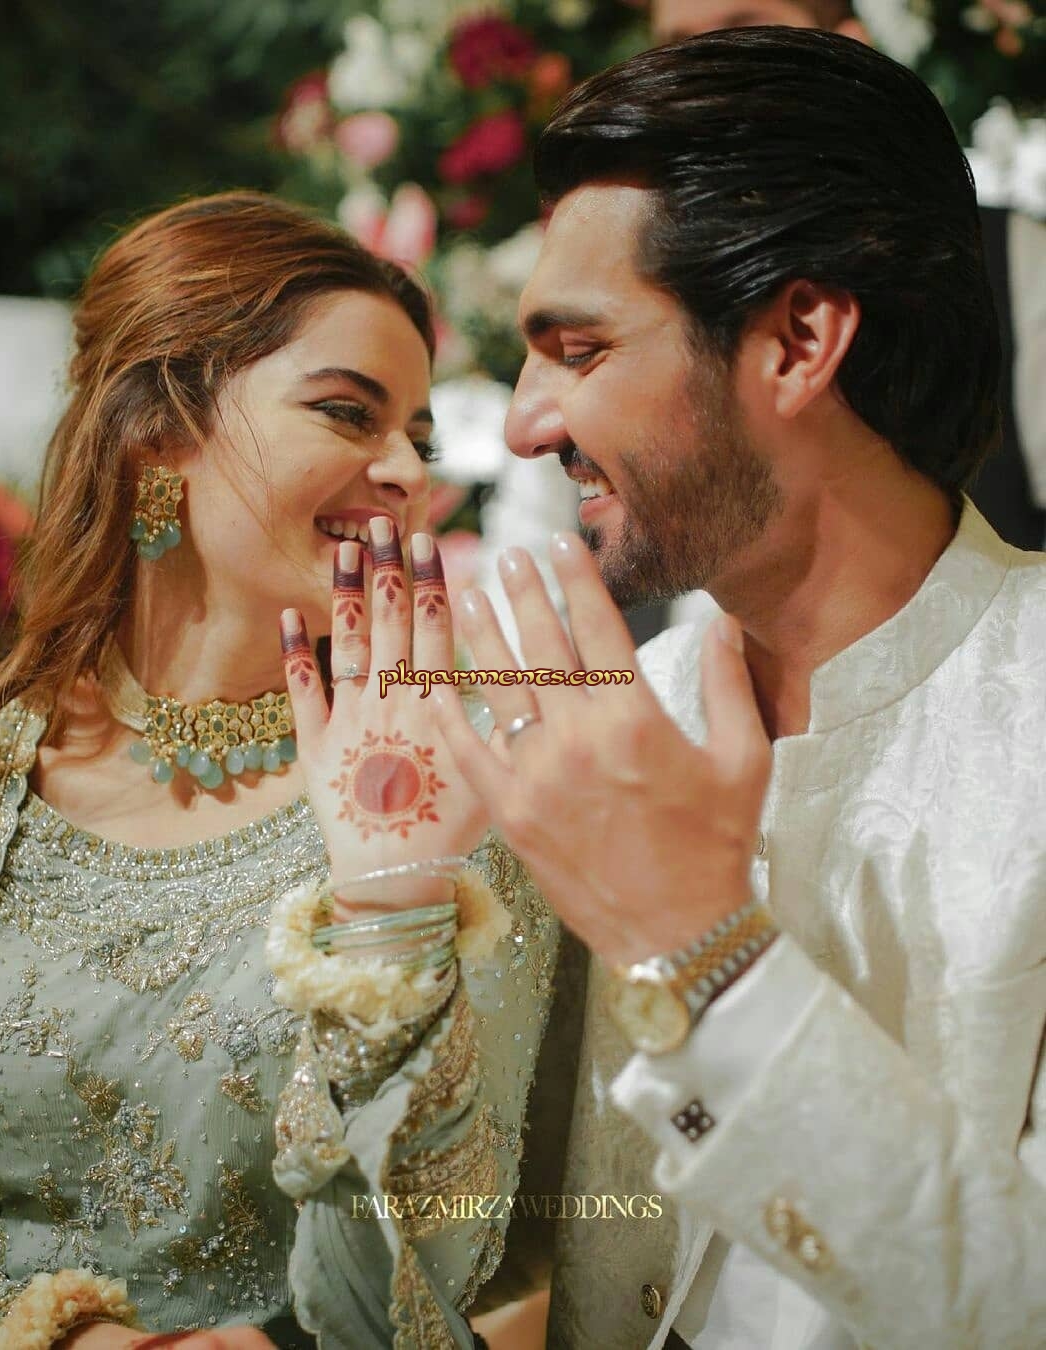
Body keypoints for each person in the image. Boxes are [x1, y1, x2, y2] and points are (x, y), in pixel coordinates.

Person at [432, 29, 1046, 1350]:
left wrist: (702, 945)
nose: (526, 423)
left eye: (579, 348)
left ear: (798, 339)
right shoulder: (603, 724)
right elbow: (488, 1249)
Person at [0, 191, 557, 1349]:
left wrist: (390, 911)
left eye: (421, 439)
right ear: (156, 430)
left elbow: (435, 1278)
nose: (406, 470)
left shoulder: (447, 777)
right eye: (347, 412)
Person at [651, 0, 1046, 553]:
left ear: (850, 48)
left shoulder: (1009, 255)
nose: (705, 74)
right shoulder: (613, 276)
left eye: (745, 32)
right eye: (676, 49)